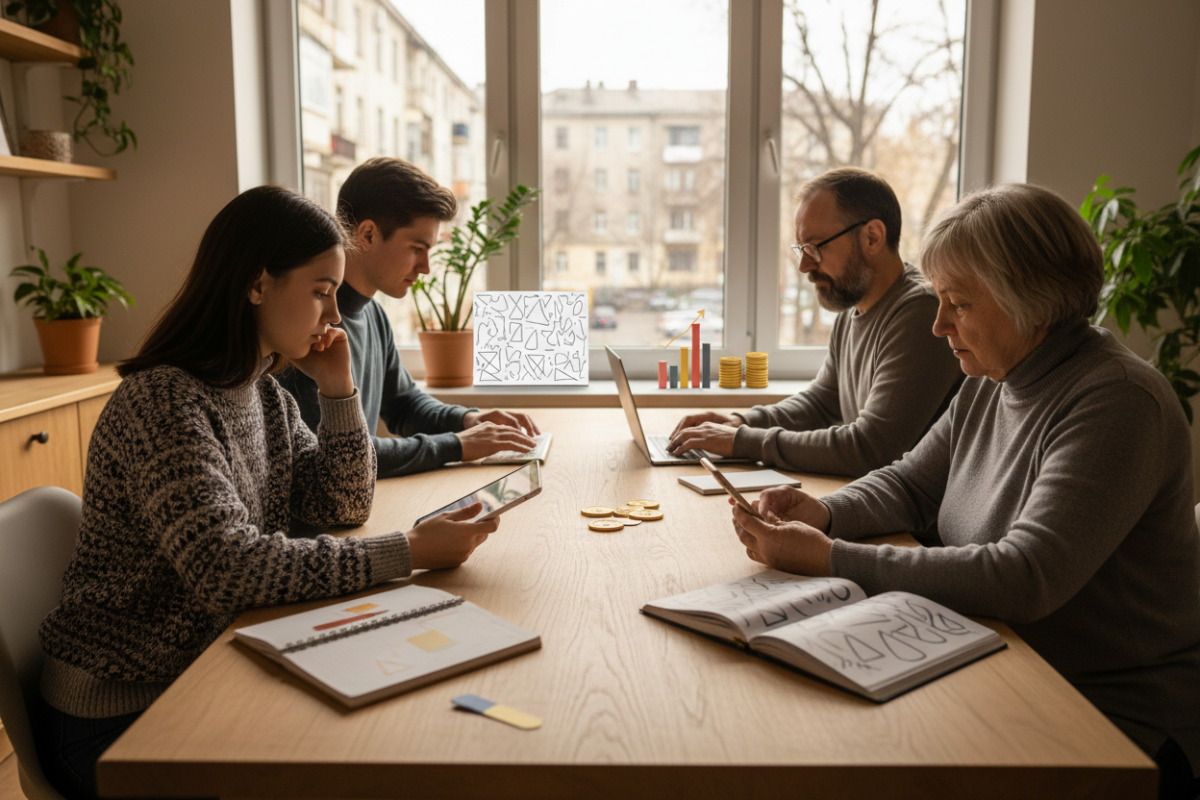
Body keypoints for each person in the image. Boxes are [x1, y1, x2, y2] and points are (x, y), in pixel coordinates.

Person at [730, 183, 1200, 800]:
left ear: (1030, 303)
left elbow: (1023, 577)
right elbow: (910, 485)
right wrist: (823, 511)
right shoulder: (993, 375)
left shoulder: (1117, 402)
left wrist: (830, 557)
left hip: (1108, 714)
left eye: (958, 303)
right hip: (993, 656)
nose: (938, 323)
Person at [34, 186, 498, 800]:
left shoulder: (263, 394)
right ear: (257, 284)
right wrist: (407, 550)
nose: (335, 318)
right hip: (120, 715)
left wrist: (339, 390)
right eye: (320, 292)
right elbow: (230, 569)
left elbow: (342, 505)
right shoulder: (164, 403)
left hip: (207, 665)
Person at [668, 167, 962, 478]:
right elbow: (822, 403)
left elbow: (870, 448)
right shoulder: (853, 307)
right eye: (802, 248)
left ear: (872, 237)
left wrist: (743, 441)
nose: (805, 266)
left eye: (816, 247)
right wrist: (742, 423)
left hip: (912, 525)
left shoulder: (921, 313)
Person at [277, 157, 540, 478]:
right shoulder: (310, 326)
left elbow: (403, 403)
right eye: (417, 248)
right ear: (368, 234)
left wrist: (468, 420)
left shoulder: (372, 313)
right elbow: (338, 455)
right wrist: (456, 445)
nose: (426, 267)